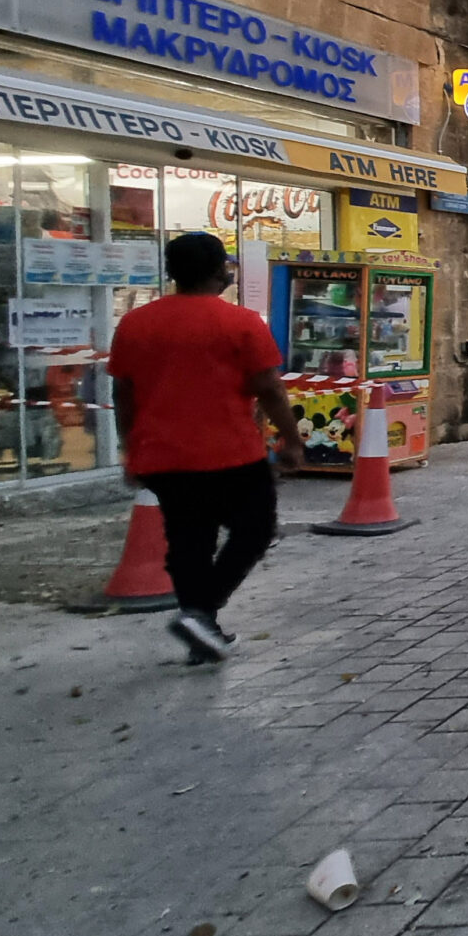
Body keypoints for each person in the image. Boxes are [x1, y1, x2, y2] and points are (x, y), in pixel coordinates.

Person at [109, 233, 305, 663]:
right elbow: (268, 387)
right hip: (230, 453)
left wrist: (130, 449)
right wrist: (291, 439)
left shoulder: (135, 324)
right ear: (221, 270)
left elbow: (124, 392)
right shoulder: (240, 322)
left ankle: (202, 630)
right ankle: (202, 612)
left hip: (164, 456)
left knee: (188, 541)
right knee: (255, 531)